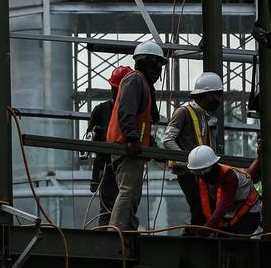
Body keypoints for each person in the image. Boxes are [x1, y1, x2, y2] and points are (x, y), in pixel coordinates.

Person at [107, 40, 167, 231]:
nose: (158, 73)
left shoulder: (142, 84)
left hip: (131, 147)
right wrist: (133, 140)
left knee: (133, 194)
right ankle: (115, 233)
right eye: (156, 66)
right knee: (128, 192)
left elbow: (142, 123)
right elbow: (126, 112)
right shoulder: (135, 80)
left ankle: (128, 230)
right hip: (126, 146)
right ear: (146, 62)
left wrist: (151, 148)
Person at [162, 71, 224, 231]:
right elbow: (167, 139)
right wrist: (187, 161)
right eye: (217, 94)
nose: (219, 99)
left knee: (206, 209)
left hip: (202, 171)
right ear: (206, 94)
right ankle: (194, 239)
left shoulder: (205, 115)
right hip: (188, 172)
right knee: (199, 208)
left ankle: (198, 236)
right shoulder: (183, 112)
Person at [187, 145, 261, 235]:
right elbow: (201, 205)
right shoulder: (204, 178)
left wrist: (207, 228)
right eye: (197, 172)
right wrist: (197, 228)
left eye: (202, 171)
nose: (200, 175)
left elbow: (224, 205)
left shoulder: (230, 177)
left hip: (249, 211)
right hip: (232, 212)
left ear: (213, 166)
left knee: (237, 242)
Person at [88, 66, 129, 227]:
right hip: (108, 166)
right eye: (114, 89)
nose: (115, 92)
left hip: (126, 166)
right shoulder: (101, 111)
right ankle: (107, 242)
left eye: (117, 89)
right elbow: (90, 139)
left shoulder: (132, 111)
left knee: (125, 209)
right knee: (107, 210)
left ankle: (119, 239)